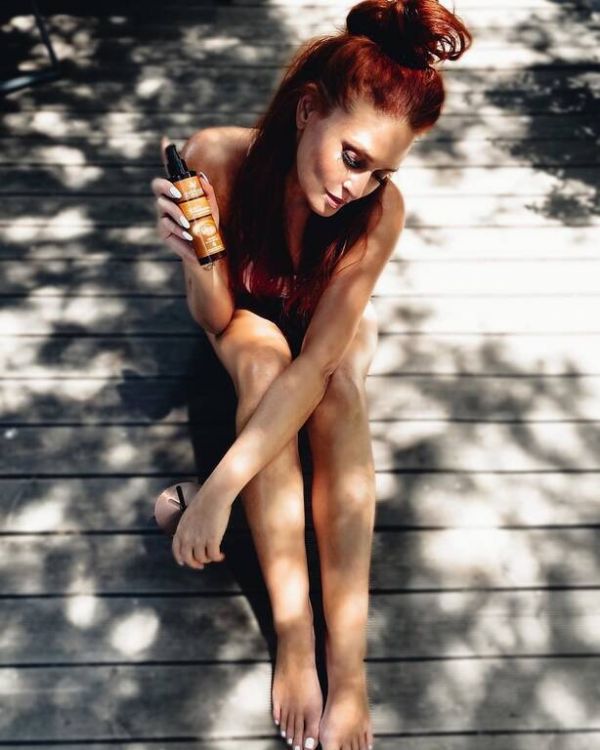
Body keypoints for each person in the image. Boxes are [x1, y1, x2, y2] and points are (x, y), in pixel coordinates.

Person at [150, 1, 472, 748]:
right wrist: (196, 258)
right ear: (306, 111)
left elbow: (322, 361)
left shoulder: (379, 211)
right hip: (248, 321)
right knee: (265, 364)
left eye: (380, 171)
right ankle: (295, 639)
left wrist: (217, 493)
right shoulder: (217, 159)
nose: (358, 186)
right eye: (353, 158)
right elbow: (216, 314)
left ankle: (348, 670)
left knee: (338, 392)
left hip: (330, 334)